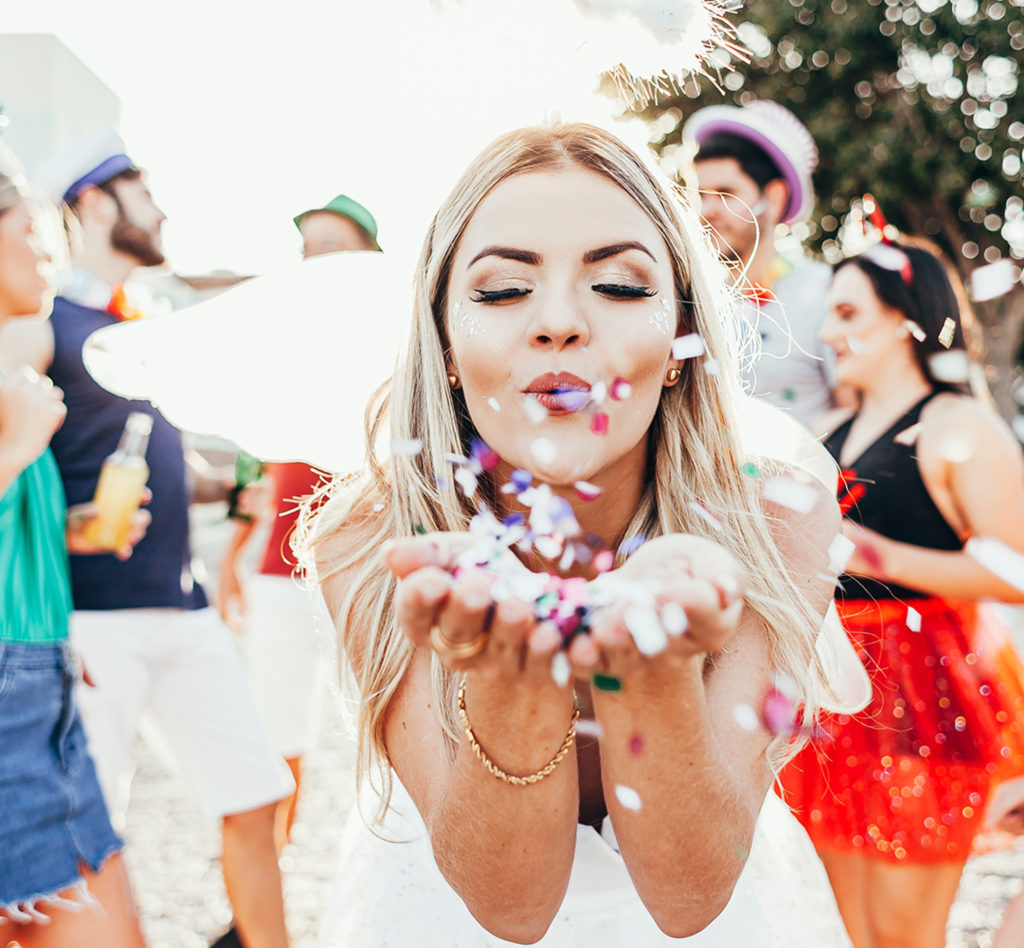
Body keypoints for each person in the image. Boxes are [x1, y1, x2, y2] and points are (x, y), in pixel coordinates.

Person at [301, 121, 859, 946]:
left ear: (680, 339)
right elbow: (511, 908)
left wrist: (653, 667)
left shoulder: (776, 519)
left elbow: (687, 898)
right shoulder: (366, 536)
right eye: (501, 291)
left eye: (622, 286)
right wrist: (505, 673)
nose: (559, 322)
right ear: (446, 341)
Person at [0, 130, 294, 948]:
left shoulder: (144, 325)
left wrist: (227, 486)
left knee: (255, 789)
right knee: (81, 848)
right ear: (94, 203)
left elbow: (153, 463)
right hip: (89, 622)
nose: (160, 210)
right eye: (143, 191)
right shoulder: (41, 323)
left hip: (183, 605)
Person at [780, 238, 1024, 948]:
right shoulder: (825, 431)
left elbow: (1016, 568)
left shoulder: (962, 426)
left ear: (904, 319)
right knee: (836, 927)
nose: (827, 333)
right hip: (831, 694)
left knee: (903, 933)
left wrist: (882, 554)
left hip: (927, 693)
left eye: (849, 311)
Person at [0, 155, 148, 946]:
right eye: (28, 229)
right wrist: (17, 450)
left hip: (40, 680)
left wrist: (77, 529)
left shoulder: (15, 372)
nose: (46, 249)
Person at [218, 193, 380, 850]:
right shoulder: (279, 344)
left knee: (384, 736)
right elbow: (251, 464)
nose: (317, 261)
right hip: (278, 574)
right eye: (308, 249)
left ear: (370, 258)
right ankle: (265, 887)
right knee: (274, 736)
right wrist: (233, 554)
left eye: (332, 247)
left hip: (361, 569)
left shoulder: (389, 344)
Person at [683, 100, 841, 426]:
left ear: (773, 198)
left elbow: (858, 410)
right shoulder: (696, 306)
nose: (707, 212)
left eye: (726, 193)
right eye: (703, 195)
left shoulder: (826, 293)